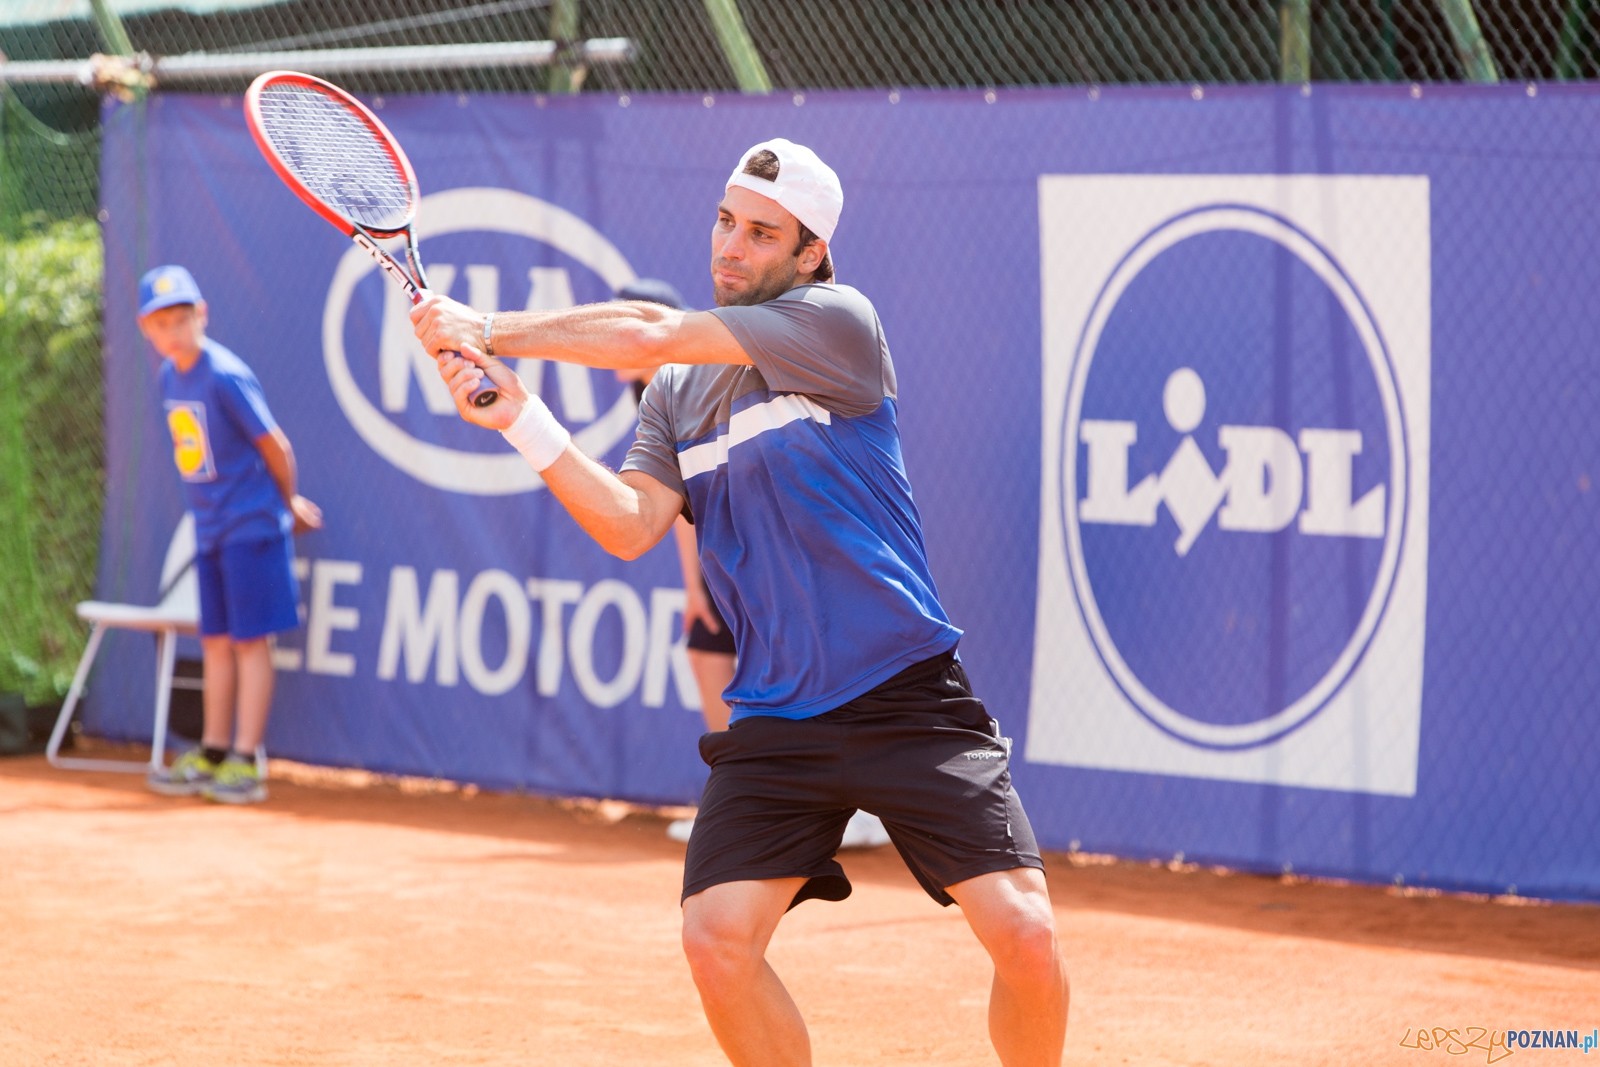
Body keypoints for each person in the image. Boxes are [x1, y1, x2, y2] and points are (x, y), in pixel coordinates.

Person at [413, 139, 1068, 1066]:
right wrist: (521, 416)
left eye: (762, 233)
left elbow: (646, 332)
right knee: (716, 939)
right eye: (726, 221)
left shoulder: (836, 323)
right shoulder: (679, 396)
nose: (731, 246)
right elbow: (630, 524)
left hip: (906, 696)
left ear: (811, 256)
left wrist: (486, 325)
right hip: (776, 717)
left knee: (1027, 935)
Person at [612, 278, 889, 850]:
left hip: (771, 541)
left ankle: (854, 806)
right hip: (730, 545)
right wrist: (697, 585)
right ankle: (737, 804)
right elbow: (677, 507)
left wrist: (699, 582)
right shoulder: (654, 390)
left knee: (802, 668)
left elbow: (694, 501)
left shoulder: (693, 374)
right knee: (715, 657)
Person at [138, 265, 322, 804]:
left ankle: (245, 760)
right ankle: (214, 751)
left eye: (182, 318)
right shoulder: (169, 377)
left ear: (202, 315)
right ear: (146, 329)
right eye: (161, 322)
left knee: (248, 642)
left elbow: (275, 447)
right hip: (210, 529)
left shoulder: (224, 374)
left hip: (252, 524)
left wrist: (286, 505)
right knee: (214, 641)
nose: (173, 330)